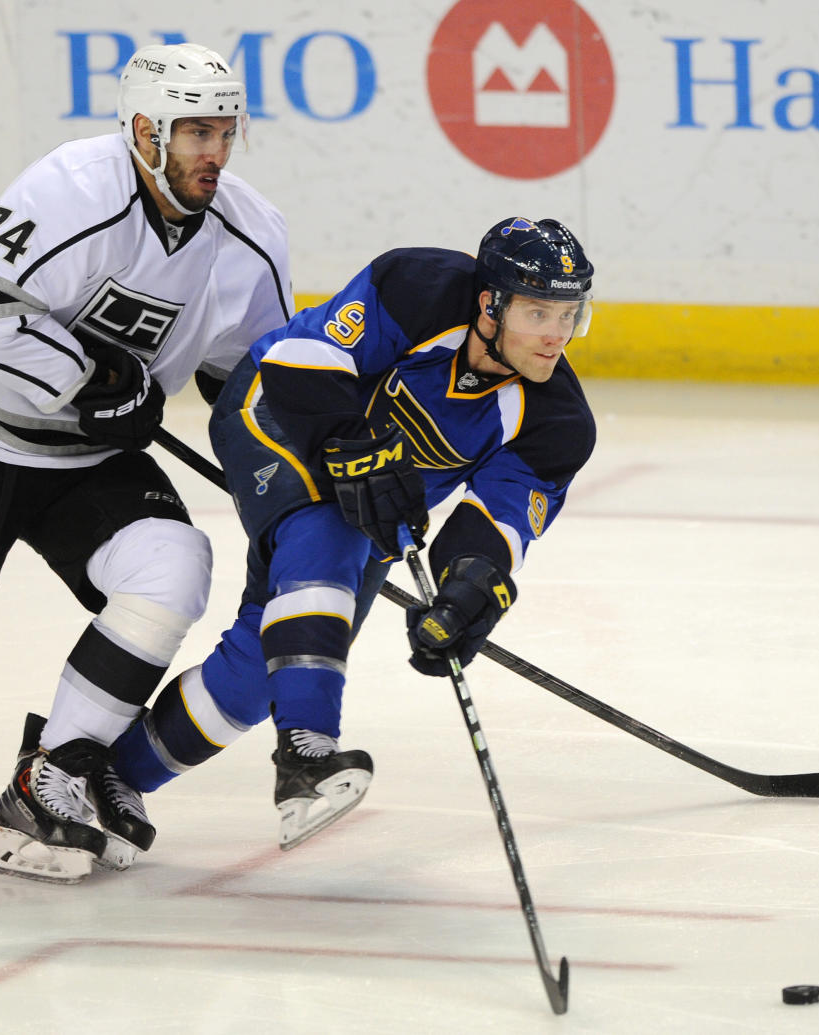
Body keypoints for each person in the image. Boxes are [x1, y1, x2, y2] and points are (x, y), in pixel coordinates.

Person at [0, 42, 292, 883]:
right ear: (145, 131)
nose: (214, 153)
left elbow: (246, 379)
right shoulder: (71, 188)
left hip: (90, 461)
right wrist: (83, 386)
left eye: (226, 131)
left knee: (172, 563)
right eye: (195, 133)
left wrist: (301, 480)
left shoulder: (250, 237)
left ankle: (56, 773)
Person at [110, 216, 597, 850]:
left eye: (569, 315)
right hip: (272, 414)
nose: (556, 335)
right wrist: (351, 441)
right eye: (538, 313)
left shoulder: (556, 423)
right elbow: (302, 360)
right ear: (490, 304)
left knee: (268, 665)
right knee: (330, 534)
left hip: (367, 503)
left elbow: (495, 528)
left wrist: (465, 595)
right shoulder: (417, 285)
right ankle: (308, 757)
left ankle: (107, 775)